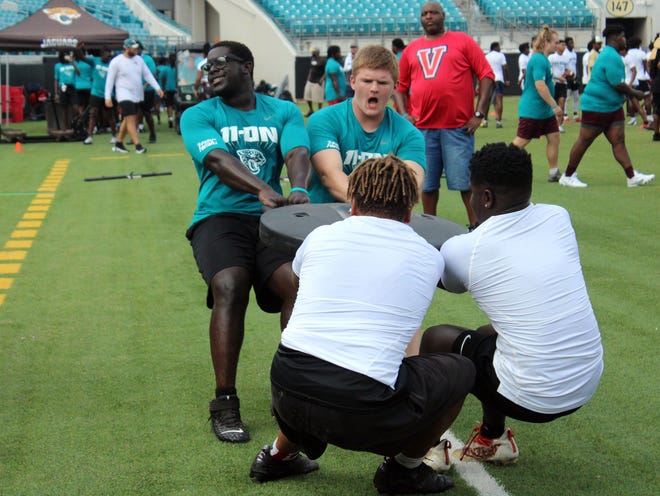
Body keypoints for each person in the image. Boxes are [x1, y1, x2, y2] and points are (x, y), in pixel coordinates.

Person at [248, 155, 476, 494]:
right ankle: (404, 470)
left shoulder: (319, 237)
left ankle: (277, 455)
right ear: (411, 211)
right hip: (361, 410)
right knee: (461, 370)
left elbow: (299, 286)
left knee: (314, 367)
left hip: (285, 390)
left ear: (352, 203)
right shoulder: (428, 255)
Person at [421, 142, 604, 465]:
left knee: (438, 338)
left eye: (474, 193)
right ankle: (494, 439)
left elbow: (442, 278)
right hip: (586, 382)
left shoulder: (467, 248)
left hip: (532, 397)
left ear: (486, 197)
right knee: (484, 336)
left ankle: (426, 447)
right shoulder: (558, 217)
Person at [180, 40, 312, 444]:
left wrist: (300, 188)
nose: (211, 70)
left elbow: (297, 152)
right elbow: (218, 159)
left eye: (221, 63)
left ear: (247, 66)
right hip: (218, 219)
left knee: (298, 284)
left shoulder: (284, 110)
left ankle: (294, 394)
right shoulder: (198, 114)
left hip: (271, 222)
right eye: (207, 66)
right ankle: (224, 401)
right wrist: (261, 189)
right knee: (230, 283)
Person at [393, 1, 494, 228]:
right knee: (426, 185)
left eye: (433, 13)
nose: (429, 17)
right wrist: (404, 114)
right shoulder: (411, 49)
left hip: (458, 127)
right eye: (424, 14)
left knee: (466, 183)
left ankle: (476, 227)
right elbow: (399, 86)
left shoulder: (463, 41)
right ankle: (432, 227)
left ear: (443, 16)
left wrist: (479, 113)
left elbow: (486, 75)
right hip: (423, 129)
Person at [307, 45, 425, 204]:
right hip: (326, 221)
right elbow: (330, 175)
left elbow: (411, 186)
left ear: (395, 87)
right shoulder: (323, 120)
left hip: (382, 225)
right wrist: (371, 209)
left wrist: (373, 215)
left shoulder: (409, 134)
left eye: (382, 83)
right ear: (353, 82)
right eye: (367, 81)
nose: (374, 88)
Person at [559, 25, 655, 188]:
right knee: (584, 140)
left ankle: (631, 177)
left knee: (618, 141)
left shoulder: (611, 55)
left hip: (611, 106)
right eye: (623, 36)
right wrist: (636, 93)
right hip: (597, 105)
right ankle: (567, 176)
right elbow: (617, 84)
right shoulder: (610, 56)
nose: (624, 39)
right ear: (616, 37)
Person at [512, 26, 564, 182]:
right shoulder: (538, 59)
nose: (558, 45)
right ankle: (496, 164)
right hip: (533, 109)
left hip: (543, 110)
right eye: (556, 42)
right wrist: (555, 106)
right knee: (521, 141)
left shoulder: (543, 59)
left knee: (554, 136)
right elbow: (540, 85)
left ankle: (554, 172)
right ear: (546, 42)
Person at [105, 39, 163, 154]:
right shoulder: (116, 61)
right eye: (133, 47)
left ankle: (119, 143)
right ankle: (137, 145)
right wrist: (107, 97)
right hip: (123, 93)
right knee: (131, 118)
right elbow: (110, 80)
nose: (136, 49)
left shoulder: (139, 60)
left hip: (136, 94)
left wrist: (157, 87)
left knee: (128, 119)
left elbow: (147, 74)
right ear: (126, 48)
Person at [83, 47, 117, 145]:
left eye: (110, 55)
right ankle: (89, 136)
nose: (109, 57)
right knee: (93, 114)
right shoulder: (95, 61)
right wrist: (78, 49)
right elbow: (82, 58)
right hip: (95, 93)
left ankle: (114, 136)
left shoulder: (112, 65)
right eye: (107, 55)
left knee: (110, 116)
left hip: (108, 94)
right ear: (102, 54)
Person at [625, 36, 652, 129]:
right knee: (647, 98)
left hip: (633, 79)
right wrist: (648, 74)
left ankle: (633, 118)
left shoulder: (627, 53)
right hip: (642, 78)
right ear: (638, 44)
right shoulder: (642, 53)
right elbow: (645, 66)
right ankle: (649, 116)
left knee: (632, 101)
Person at [483, 42, 509, 128]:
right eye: (499, 47)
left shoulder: (486, 56)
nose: (500, 48)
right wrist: (507, 80)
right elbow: (505, 68)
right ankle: (498, 122)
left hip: (489, 80)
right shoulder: (501, 55)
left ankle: (485, 120)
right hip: (499, 80)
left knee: (486, 101)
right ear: (495, 47)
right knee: (499, 100)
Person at [136, 42, 158, 144]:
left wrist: (145, 86)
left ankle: (152, 133)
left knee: (147, 113)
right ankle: (135, 136)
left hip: (147, 91)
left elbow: (152, 74)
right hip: (134, 91)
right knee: (135, 113)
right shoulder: (131, 59)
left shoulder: (147, 59)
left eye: (137, 48)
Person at [548, 39, 570, 133]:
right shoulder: (552, 57)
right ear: (557, 46)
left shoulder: (566, 58)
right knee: (553, 104)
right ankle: (551, 123)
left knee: (562, 102)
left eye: (565, 45)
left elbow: (567, 70)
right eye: (562, 45)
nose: (564, 47)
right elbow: (549, 71)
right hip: (554, 83)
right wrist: (557, 77)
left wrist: (564, 75)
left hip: (563, 83)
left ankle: (559, 125)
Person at [53, 50, 78, 129]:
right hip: (63, 86)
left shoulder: (72, 63)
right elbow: (56, 80)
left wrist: (72, 62)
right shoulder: (58, 66)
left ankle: (75, 124)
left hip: (72, 86)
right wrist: (56, 93)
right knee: (64, 108)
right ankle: (65, 126)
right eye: (64, 55)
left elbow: (78, 72)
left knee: (75, 107)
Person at [303, 47, 325, 117]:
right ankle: (311, 110)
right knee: (307, 96)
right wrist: (308, 77)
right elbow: (311, 68)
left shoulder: (322, 60)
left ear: (317, 52)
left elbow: (326, 71)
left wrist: (322, 79)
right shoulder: (312, 59)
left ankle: (319, 111)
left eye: (313, 52)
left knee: (319, 98)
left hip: (318, 81)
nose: (312, 53)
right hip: (310, 81)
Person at [564, 37, 581, 122]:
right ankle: (565, 115)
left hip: (574, 77)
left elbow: (575, 65)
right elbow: (564, 67)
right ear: (566, 44)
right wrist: (567, 75)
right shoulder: (565, 54)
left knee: (576, 96)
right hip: (568, 78)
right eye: (570, 43)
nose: (572, 44)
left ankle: (575, 115)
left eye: (572, 42)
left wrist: (577, 75)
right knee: (567, 97)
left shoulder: (574, 53)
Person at [159, 53, 177, 128]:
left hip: (172, 90)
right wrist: (163, 89)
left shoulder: (174, 69)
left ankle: (172, 118)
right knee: (171, 105)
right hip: (172, 89)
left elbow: (163, 79)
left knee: (171, 105)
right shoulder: (170, 69)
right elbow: (163, 79)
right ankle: (172, 119)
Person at [650, 35, 660, 141]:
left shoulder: (654, 54)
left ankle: (656, 134)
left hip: (656, 85)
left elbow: (652, 72)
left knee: (657, 110)